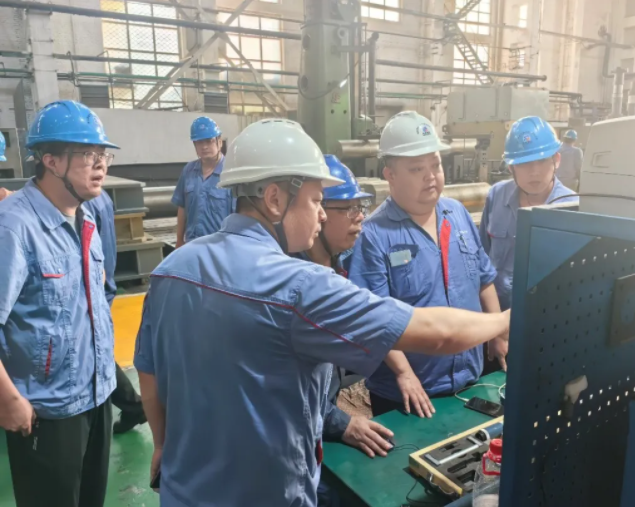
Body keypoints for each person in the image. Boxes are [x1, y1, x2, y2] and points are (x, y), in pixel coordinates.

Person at [134, 118, 510, 507]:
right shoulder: (300, 286)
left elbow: (149, 370)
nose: (324, 214)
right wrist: (504, 321)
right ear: (275, 199)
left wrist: (161, 444)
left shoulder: (171, 268)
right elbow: (436, 333)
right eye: (316, 200)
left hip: (184, 491)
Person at [348, 111, 506, 418]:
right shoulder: (374, 235)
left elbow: (484, 279)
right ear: (390, 175)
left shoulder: (457, 213)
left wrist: (499, 333)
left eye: (435, 165)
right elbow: (373, 319)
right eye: (417, 168)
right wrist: (404, 373)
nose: (430, 175)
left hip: (470, 381)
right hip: (409, 395)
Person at [0, 100, 117, 507]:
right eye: (87, 154)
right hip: (45, 411)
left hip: (96, 397)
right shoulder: (14, 227)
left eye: (103, 154)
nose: (100, 165)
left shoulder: (87, 219)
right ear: (50, 160)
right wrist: (7, 399)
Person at [0, 185, 146, 435]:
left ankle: (131, 403)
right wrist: (9, 398)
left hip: (84, 383)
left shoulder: (86, 210)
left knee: (85, 346)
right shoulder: (16, 222)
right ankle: (132, 404)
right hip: (51, 395)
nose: (100, 166)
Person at [298, 155, 392, 506]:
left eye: (361, 206)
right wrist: (342, 423)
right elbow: (292, 394)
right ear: (319, 213)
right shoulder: (297, 288)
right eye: (349, 208)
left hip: (321, 425)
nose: (360, 216)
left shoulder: (342, 265)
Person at [479, 116, 579, 311]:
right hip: (496, 311)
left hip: (547, 314)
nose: (534, 172)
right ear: (510, 167)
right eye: (524, 163)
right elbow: (481, 257)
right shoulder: (497, 196)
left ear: (556, 160)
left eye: (542, 161)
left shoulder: (573, 207)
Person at [85, 192, 147, 434]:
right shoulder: (99, 197)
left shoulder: (82, 200)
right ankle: (133, 405)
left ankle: (132, 404)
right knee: (93, 349)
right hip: (99, 286)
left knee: (91, 350)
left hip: (92, 289)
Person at [172, 116, 235, 247]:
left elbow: (240, 215)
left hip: (221, 246)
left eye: (209, 141)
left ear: (219, 142)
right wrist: (179, 240)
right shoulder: (188, 171)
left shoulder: (230, 173)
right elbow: (182, 207)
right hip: (192, 244)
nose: (204, 147)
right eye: (199, 142)